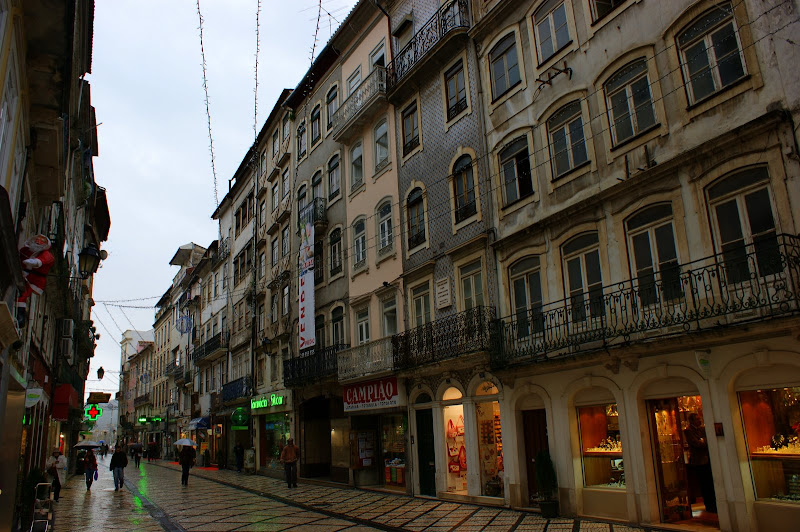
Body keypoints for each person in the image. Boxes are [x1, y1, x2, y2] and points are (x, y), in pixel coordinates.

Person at [684, 413, 717, 513]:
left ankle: (714, 504)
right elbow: (697, 444)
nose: (700, 421)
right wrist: (702, 441)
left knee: (711, 483)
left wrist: (703, 440)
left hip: (708, 460)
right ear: (692, 421)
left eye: (700, 419)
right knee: (704, 484)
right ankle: (709, 505)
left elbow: (709, 439)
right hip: (699, 461)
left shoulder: (702, 429)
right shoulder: (689, 431)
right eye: (697, 419)